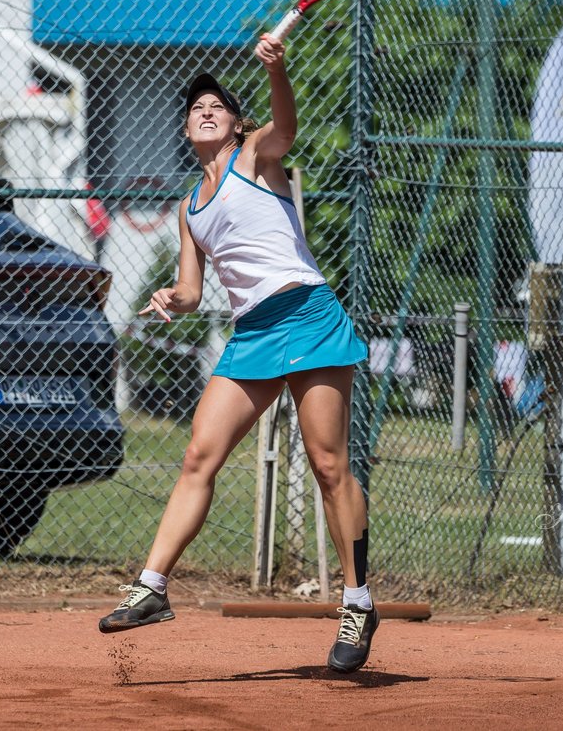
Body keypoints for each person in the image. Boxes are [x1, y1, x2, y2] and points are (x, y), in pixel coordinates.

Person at [98, 33, 378, 674]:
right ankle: (151, 588)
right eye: (194, 105)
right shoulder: (189, 207)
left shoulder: (257, 156)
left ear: (234, 123)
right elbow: (196, 291)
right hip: (253, 334)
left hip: (306, 315)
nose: (203, 108)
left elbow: (286, 125)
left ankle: (358, 603)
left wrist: (277, 71)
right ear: (185, 127)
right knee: (199, 454)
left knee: (328, 465)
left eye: (216, 104)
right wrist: (173, 295)